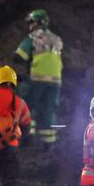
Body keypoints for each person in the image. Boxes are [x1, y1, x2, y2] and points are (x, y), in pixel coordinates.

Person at [13, 8, 64, 148]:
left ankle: (26, 137)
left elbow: (19, 56)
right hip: (56, 81)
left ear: (38, 23)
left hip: (38, 78)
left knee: (27, 106)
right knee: (48, 109)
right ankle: (48, 143)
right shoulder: (56, 39)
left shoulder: (34, 37)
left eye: (32, 22)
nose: (30, 26)